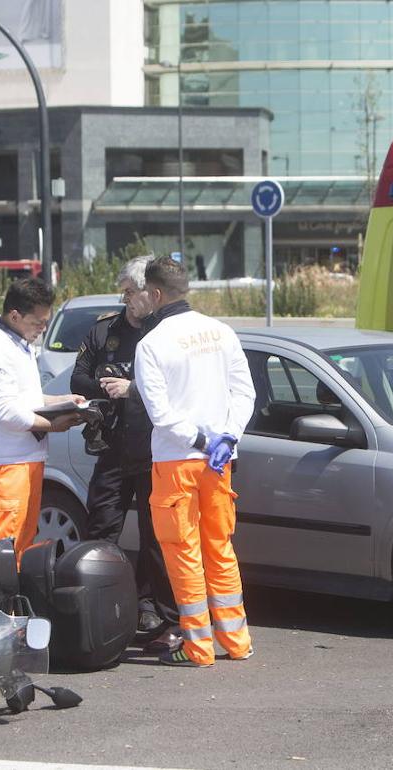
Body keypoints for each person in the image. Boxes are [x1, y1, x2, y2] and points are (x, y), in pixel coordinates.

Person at [133, 256, 256, 667]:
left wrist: (203, 439)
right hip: (219, 463)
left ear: (154, 294)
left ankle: (198, 648)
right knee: (220, 546)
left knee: (183, 550)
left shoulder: (151, 344)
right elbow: (245, 394)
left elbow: (162, 414)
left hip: (177, 460)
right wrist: (227, 438)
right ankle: (236, 641)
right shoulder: (221, 332)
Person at [69, 255, 180, 651]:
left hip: (153, 448)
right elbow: (79, 377)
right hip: (113, 446)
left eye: (130, 292)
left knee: (155, 537)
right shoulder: (104, 331)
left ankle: (151, 608)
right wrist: (106, 383)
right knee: (102, 527)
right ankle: (106, 601)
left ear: (149, 294)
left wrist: (132, 384)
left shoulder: (166, 333)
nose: (125, 299)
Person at [0, 277, 82, 572]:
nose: (42, 328)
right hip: (6, 462)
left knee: (20, 542)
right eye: (39, 322)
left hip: (23, 458)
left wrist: (61, 401)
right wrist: (51, 425)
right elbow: (4, 410)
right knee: (2, 545)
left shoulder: (17, 343)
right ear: (15, 315)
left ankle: (7, 608)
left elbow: (24, 398)